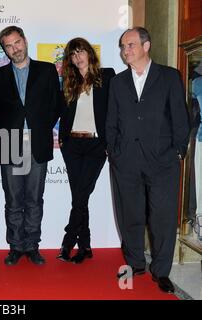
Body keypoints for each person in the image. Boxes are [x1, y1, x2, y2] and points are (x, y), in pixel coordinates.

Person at [106, 27, 190, 293]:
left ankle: (161, 271)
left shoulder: (169, 77)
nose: (124, 50)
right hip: (126, 161)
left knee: (162, 218)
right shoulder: (117, 82)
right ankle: (135, 263)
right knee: (129, 215)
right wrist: (114, 151)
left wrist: (178, 150)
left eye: (129, 45)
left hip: (163, 161)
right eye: (122, 46)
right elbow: (111, 122)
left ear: (146, 46)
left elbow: (180, 117)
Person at [0, 26, 61, 266]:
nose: (14, 49)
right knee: (13, 200)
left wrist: (38, 127)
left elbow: (55, 106)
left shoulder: (47, 70)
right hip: (9, 141)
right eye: (9, 46)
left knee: (34, 199)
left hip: (37, 142)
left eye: (17, 42)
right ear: (4, 50)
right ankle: (15, 247)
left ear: (25, 41)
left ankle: (32, 245)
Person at [57, 38, 115, 264]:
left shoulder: (107, 76)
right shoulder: (68, 82)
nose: (77, 57)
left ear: (89, 53)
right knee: (80, 196)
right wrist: (62, 139)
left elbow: (115, 110)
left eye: (80, 52)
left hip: (96, 145)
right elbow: (61, 112)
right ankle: (86, 245)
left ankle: (69, 240)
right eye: (73, 55)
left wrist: (110, 141)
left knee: (80, 196)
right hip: (72, 145)